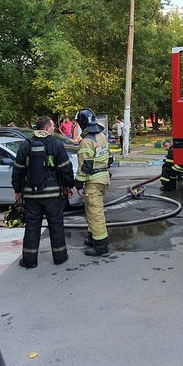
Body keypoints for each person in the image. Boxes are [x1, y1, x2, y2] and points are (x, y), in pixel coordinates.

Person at [11, 116, 76, 268]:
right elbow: (65, 168)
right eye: (53, 126)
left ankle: (29, 260)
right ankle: (60, 257)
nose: (54, 128)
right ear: (47, 128)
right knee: (56, 225)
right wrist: (69, 186)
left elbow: (18, 170)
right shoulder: (56, 145)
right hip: (53, 196)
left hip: (31, 195)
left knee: (32, 227)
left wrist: (17, 190)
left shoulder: (25, 145)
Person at [74, 108, 112, 256]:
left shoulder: (86, 141)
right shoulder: (101, 136)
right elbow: (108, 158)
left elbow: (86, 166)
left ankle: (101, 246)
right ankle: (92, 238)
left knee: (95, 214)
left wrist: (78, 184)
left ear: (82, 123)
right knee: (93, 211)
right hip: (103, 179)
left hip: (94, 181)